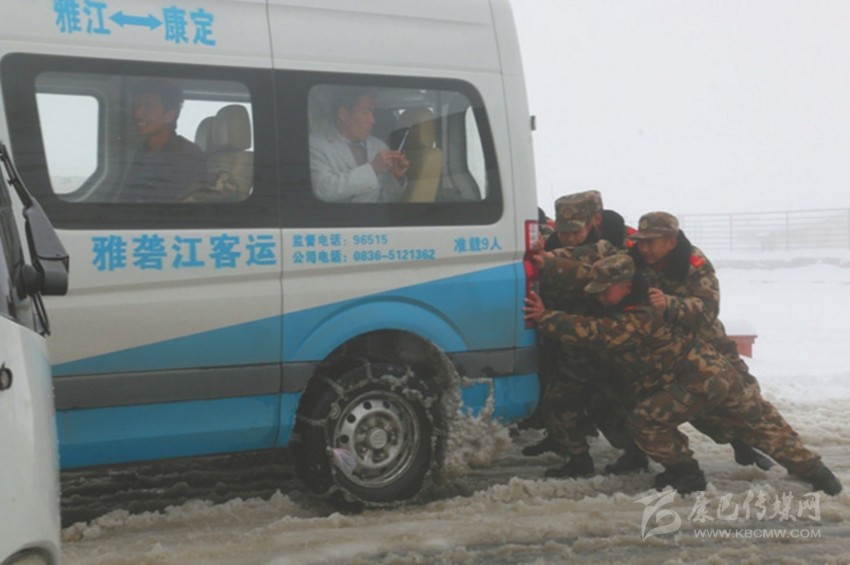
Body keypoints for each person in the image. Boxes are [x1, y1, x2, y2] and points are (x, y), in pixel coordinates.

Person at [524, 254, 842, 495]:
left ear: (625, 286)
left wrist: (545, 317)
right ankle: (819, 475)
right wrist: (550, 263)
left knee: (646, 420)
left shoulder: (644, 313)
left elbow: (597, 332)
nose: (600, 297)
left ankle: (686, 474)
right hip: (715, 376)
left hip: (696, 383)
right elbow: (591, 281)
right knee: (762, 427)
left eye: (605, 292)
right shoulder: (646, 298)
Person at [628, 211, 774, 471]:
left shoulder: (693, 262)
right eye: (641, 242)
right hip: (665, 347)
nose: (644, 248)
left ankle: (751, 445)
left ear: (671, 242)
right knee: (682, 402)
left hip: (708, 342)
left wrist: (670, 303)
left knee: (744, 399)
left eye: (651, 242)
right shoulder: (634, 260)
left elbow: (708, 309)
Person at [309, 87, 409, 203]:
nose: (372, 120)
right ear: (343, 114)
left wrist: (396, 178)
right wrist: (373, 169)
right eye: (365, 113)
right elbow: (322, 190)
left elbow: (386, 199)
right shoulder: (315, 145)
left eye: (372, 113)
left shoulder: (379, 146)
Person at [118, 78, 206, 203]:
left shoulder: (187, 154)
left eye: (147, 107)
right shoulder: (144, 151)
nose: (136, 114)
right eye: (135, 106)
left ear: (169, 115)